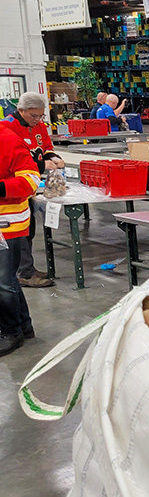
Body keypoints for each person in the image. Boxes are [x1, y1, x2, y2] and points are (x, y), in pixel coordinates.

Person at [2, 92, 63, 287]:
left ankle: (26, 268)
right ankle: (24, 272)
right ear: (21, 111)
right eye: (33, 116)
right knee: (17, 235)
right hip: (13, 193)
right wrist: (42, 167)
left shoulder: (39, 126)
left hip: (30, 188)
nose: (38, 120)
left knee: (29, 231)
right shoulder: (8, 129)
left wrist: (53, 157)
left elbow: (45, 147)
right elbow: (19, 165)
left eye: (41, 116)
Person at [0, 124, 41, 356]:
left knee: (3, 281)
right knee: (6, 279)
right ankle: (24, 326)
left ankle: (10, 331)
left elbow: (32, 180)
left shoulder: (8, 140)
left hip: (8, 222)